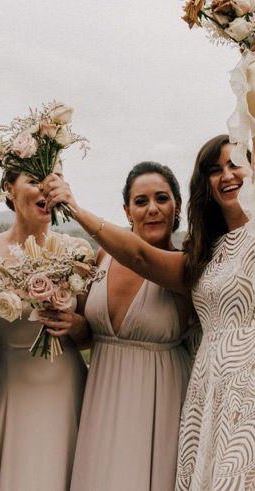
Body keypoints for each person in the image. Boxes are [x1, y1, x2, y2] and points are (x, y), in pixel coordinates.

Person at [43, 38, 255, 490]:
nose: (228, 174)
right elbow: (141, 256)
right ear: (205, 183)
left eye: (236, 164)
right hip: (208, 385)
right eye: (216, 168)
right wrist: (75, 210)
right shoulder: (201, 255)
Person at [70, 161, 193, 491]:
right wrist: (65, 318)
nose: (152, 209)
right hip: (102, 390)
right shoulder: (101, 258)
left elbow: (139, 256)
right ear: (127, 210)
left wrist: (73, 207)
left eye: (162, 199)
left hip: (158, 397)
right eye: (141, 201)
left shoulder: (184, 265)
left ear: (177, 206)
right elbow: (85, 337)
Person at [0, 167, 89, 491]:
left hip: (66, 385)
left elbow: (95, 332)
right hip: (7, 386)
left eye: (55, 179)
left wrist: (76, 324)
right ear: (9, 188)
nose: (47, 189)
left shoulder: (78, 251)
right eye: (35, 180)